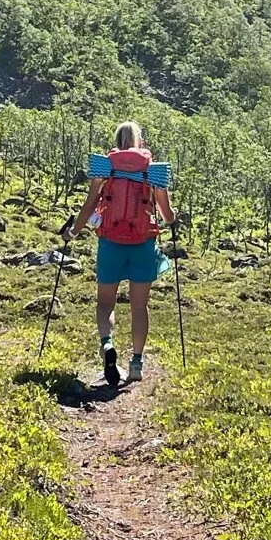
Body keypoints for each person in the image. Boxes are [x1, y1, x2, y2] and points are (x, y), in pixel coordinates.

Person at [66, 121, 174, 388]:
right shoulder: (154, 170)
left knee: (105, 304)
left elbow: (91, 203)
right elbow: (167, 215)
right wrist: (174, 218)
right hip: (143, 244)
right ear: (141, 141)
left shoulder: (105, 166)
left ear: (117, 140)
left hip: (111, 243)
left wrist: (74, 231)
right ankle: (136, 363)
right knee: (139, 306)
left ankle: (107, 344)